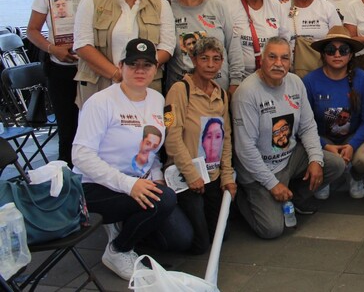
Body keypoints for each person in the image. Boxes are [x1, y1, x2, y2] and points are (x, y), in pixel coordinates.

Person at [73, 39, 191, 280]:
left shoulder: (158, 100)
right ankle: (118, 250)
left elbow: (154, 152)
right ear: (121, 66)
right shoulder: (100, 102)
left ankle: (126, 222)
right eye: (132, 64)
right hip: (98, 188)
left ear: (155, 69)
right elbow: (80, 156)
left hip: (141, 183)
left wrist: (157, 177)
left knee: (182, 239)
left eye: (146, 65)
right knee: (163, 200)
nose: (139, 70)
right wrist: (128, 185)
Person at [231, 38, 346, 239]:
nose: (279, 63)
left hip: (289, 158)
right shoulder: (247, 93)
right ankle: (245, 197)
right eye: (272, 57)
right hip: (258, 170)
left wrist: (316, 161)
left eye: (285, 58)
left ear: (290, 61)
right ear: (261, 60)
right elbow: (245, 149)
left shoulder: (295, 83)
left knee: (335, 164)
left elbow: (308, 126)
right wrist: (272, 184)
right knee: (272, 230)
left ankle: (294, 197)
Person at [27, 0, 111, 164]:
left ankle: (96, 181)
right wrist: (52, 49)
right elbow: (32, 30)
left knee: (99, 128)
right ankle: (68, 182)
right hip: (61, 70)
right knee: (68, 130)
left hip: (95, 71)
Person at [74, 0, 175, 103]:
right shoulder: (91, 2)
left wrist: (138, 75)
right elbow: (82, 45)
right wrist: (118, 75)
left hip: (145, 89)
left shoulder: (161, 5)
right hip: (100, 88)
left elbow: (167, 47)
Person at [165, 36, 236, 255]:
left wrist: (227, 177)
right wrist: (191, 173)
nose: (210, 65)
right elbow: (172, 136)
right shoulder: (180, 90)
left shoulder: (221, 94)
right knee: (199, 245)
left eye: (216, 59)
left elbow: (225, 138)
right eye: (204, 58)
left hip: (212, 176)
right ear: (194, 60)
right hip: (187, 177)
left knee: (221, 235)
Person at [303, 27, 364, 199]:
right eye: (331, 50)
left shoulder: (363, 79)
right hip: (323, 139)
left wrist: (352, 145)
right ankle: (328, 175)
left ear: (351, 54)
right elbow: (304, 125)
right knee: (329, 165)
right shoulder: (309, 81)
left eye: (343, 50)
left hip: (353, 138)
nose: (337, 54)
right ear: (323, 54)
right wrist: (324, 145)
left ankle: (355, 175)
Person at [167, 0, 244, 94]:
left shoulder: (219, 7)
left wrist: (235, 83)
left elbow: (233, 46)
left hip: (219, 92)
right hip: (183, 94)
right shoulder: (169, 10)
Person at [226, 0, 286, 76]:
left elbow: (285, 39)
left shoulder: (275, 5)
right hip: (239, 76)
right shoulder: (229, 4)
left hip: (270, 75)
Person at [283, 0, 343, 77]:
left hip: (322, 72)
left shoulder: (327, 7)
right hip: (288, 72)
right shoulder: (281, 7)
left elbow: (338, 39)